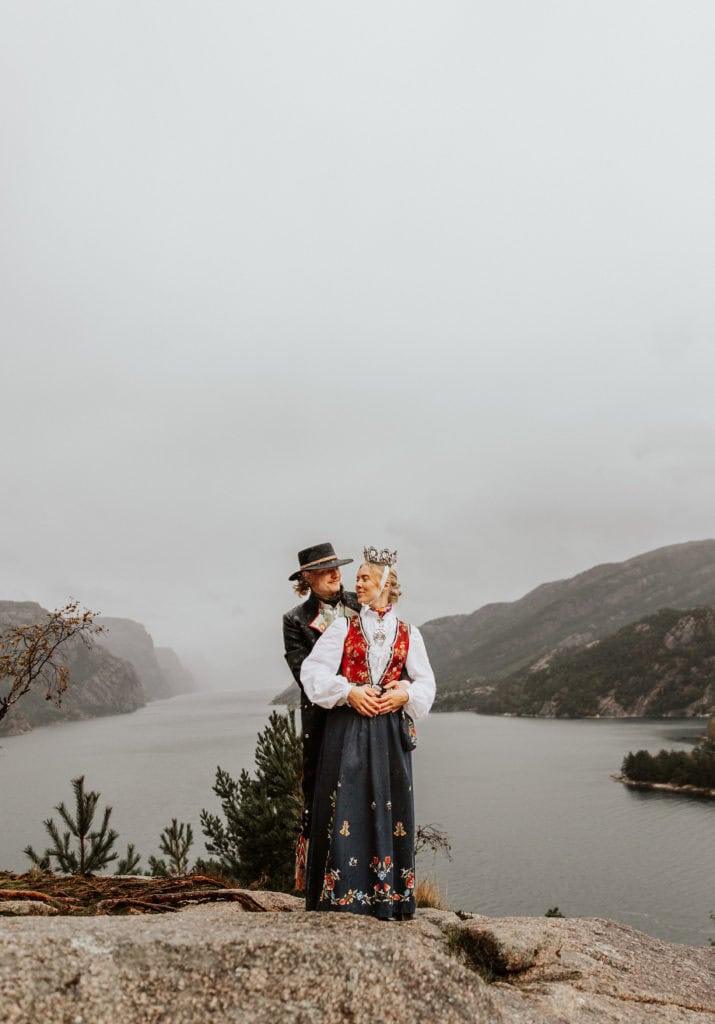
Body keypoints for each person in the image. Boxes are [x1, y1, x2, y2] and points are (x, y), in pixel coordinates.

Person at [300, 546, 436, 919]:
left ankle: (388, 900)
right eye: (357, 577)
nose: (356, 583)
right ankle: (341, 899)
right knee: (345, 807)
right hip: (348, 731)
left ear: (385, 583)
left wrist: (404, 693)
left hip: (390, 735)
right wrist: (349, 691)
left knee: (391, 810)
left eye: (364, 577)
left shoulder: (409, 633)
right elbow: (313, 674)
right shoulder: (342, 627)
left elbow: (427, 684)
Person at [283, 542, 360, 890]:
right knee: (323, 792)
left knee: (364, 787)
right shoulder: (295, 620)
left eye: (337, 566)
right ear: (308, 578)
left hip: (365, 713)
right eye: (326, 569)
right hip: (324, 718)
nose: (336, 573)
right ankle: (322, 880)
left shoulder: (361, 605)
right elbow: (304, 675)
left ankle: (365, 873)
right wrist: (348, 689)